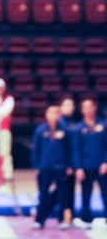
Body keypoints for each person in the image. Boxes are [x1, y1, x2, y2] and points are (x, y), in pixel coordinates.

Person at [31, 105, 72, 230]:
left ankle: (62, 220)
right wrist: (35, 166)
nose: (53, 115)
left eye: (56, 113)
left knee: (62, 194)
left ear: (59, 115)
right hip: (45, 167)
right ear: (46, 115)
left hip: (61, 167)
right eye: (51, 113)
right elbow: (35, 149)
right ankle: (40, 220)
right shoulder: (40, 130)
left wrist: (70, 165)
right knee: (43, 194)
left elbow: (69, 149)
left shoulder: (65, 130)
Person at [73, 97, 107, 229]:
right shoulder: (79, 128)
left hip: (101, 166)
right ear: (82, 110)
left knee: (106, 192)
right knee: (86, 193)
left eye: (90, 106)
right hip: (86, 166)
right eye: (84, 107)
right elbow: (76, 149)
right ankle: (86, 219)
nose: (88, 110)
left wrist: (106, 161)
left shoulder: (103, 125)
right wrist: (78, 167)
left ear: (95, 108)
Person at [59, 96, 78, 224]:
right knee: (61, 191)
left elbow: (75, 146)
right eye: (66, 105)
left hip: (73, 162)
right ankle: (62, 215)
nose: (69, 108)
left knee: (71, 189)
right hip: (60, 163)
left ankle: (70, 215)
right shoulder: (58, 123)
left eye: (71, 105)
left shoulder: (75, 124)